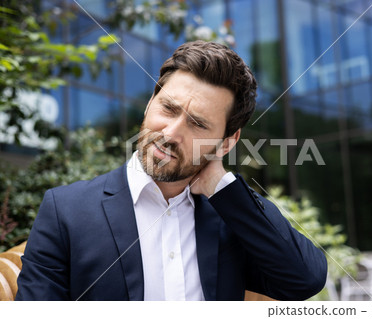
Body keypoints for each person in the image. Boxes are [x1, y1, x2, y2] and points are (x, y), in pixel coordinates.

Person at [16, 40, 327, 301]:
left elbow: (305, 279)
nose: (171, 133)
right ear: (151, 101)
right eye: (168, 108)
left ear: (227, 143)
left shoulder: (231, 217)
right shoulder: (65, 210)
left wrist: (221, 184)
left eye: (198, 124)